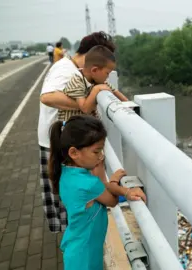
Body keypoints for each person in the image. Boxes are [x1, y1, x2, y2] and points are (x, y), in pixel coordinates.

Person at [38, 31, 120, 233]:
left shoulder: (78, 71)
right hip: (58, 140)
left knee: (72, 192)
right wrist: (88, 104)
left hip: (65, 139)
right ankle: (71, 236)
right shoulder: (66, 70)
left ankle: (70, 234)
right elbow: (47, 97)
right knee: (68, 194)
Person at [49, 115, 146, 269]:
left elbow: (100, 189)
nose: (101, 156)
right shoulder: (88, 183)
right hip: (85, 256)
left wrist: (107, 182)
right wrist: (124, 190)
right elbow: (112, 201)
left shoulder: (66, 172)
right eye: (96, 152)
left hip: (77, 247)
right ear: (74, 153)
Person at [57, 45, 128, 122]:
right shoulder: (77, 81)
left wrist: (129, 107)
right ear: (94, 70)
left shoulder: (97, 80)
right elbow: (85, 109)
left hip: (86, 124)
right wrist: (96, 89)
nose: (107, 77)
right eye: (107, 73)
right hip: (72, 128)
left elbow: (120, 96)